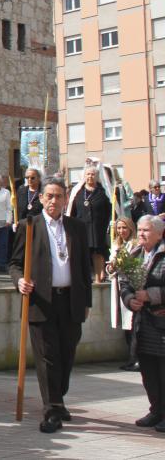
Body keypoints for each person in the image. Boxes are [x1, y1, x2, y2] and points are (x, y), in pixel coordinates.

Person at [10, 176, 92, 434]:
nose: (54, 201)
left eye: (59, 196)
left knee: (67, 355)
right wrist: (19, 280)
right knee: (48, 359)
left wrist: (87, 301)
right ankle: (51, 409)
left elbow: (83, 267)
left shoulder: (77, 227)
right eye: (49, 196)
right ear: (42, 198)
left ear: (66, 198)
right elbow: (14, 263)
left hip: (71, 301)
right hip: (42, 301)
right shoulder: (29, 226)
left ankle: (59, 398)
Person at [120, 215, 165, 432]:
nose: (141, 234)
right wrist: (131, 300)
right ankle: (156, 410)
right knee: (147, 370)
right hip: (142, 322)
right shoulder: (135, 254)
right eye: (139, 230)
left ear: (159, 233)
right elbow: (125, 283)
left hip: (161, 321)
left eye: (146, 230)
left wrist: (151, 295)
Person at [67, 165, 112, 283]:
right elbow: (72, 211)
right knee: (83, 254)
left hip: (98, 228)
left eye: (92, 174)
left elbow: (109, 211)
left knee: (97, 253)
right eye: (88, 174)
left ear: (97, 176)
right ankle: (85, 279)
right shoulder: (78, 192)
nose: (90, 176)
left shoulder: (103, 193)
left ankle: (98, 279)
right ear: (84, 176)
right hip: (82, 228)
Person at [108, 217, 140, 371]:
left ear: (130, 228)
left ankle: (136, 358)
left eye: (124, 228)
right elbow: (111, 264)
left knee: (133, 324)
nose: (121, 231)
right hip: (119, 285)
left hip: (131, 286)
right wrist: (111, 268)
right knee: (126, 326)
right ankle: (131, 357)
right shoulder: (117, 244)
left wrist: (123, 263)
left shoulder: (135, 245)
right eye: (119, 228)